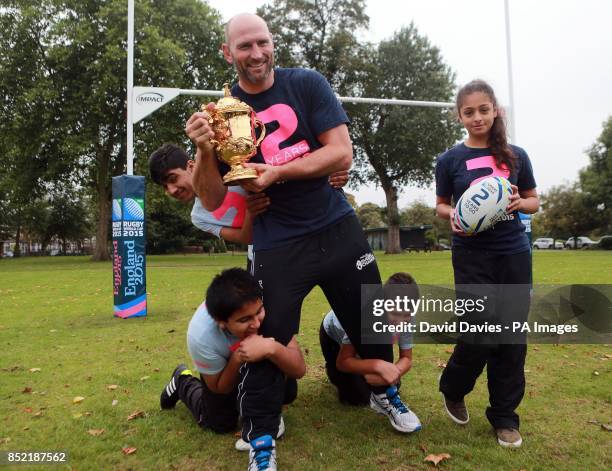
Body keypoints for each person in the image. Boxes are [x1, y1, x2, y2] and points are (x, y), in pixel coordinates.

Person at [184, 13, 402, 470]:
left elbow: (341, 151)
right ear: (228, 53)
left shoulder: (306, 83)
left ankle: (386, 394)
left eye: (261, 42)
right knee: (269, 335)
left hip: (337, 227)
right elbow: (211, 197)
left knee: (370, 317)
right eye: (244, 46)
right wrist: (205, 152)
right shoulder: (218, 113)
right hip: (278, 241)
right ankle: (261, 432)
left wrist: (278, 172)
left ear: (273, 43)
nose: (256, 53)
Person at [434, 79, 539, 448]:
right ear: (459, 116)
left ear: (494, 111)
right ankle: (454, 386)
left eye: (483, 109)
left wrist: (517, 204)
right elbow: (441, 205)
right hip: (471, 253)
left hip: (512, 252)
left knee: (511, 338)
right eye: (468, 111)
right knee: (478, 331)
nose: (476, 117)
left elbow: (533, 200)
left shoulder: (516, 156)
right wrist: (455, 215)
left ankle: (505, 417)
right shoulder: (449, 160)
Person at [159, 268, 305, 457]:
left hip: (261, 359)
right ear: (222, 322)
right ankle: (182, 381)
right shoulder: (201, 335)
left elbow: (299, 369)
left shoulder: (271, 307)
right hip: (224, 369)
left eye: (258, 312)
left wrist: (272, 348)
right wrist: (237, 357)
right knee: (219, 422)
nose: (256, 324)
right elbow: (219, 387)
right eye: (245, 320)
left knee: (288, 393)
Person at [148, 144, 348, 270]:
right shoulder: (198, 216)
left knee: (368, 315)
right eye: (165, 187)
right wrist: (250, 214)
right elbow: (246, 238)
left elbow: (282, 167)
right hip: (268, 254)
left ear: (191, 166)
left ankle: (332, 330)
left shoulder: (229, 163)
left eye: (172, 179)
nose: (171, 190)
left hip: (317, 231)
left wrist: (328, 172)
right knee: (270, 326)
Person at [319, 272, 421, 432]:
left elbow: (407, 358)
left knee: (392, 381)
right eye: (394, 315)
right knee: (357, 398)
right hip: (333, 340)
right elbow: (343, 361)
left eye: (406, 315)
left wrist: (395, 371)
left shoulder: (408, 313)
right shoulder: (365, 316)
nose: (401, 323)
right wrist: (378, 365)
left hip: (369, 342)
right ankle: (333, 373)